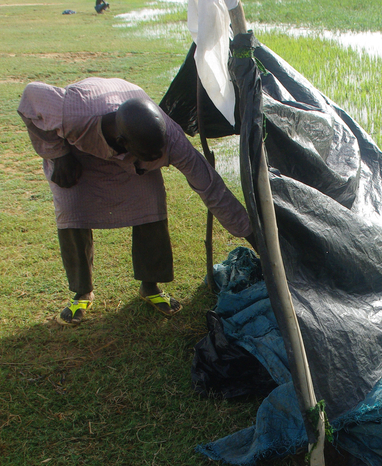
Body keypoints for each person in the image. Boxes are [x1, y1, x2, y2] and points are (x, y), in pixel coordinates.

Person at [18, 77, 251, 325]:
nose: (158, 159)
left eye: (158, 154)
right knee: (72, 209)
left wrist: (251, 233)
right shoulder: (73, 114)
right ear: (123, 144)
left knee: (150, 204)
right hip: (78, 151)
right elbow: (31, 98)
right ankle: (82, 292)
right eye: (151, 156)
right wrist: (59, 153)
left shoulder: (169, 139)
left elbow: (211, 186)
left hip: (131, 156)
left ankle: (150, 287)